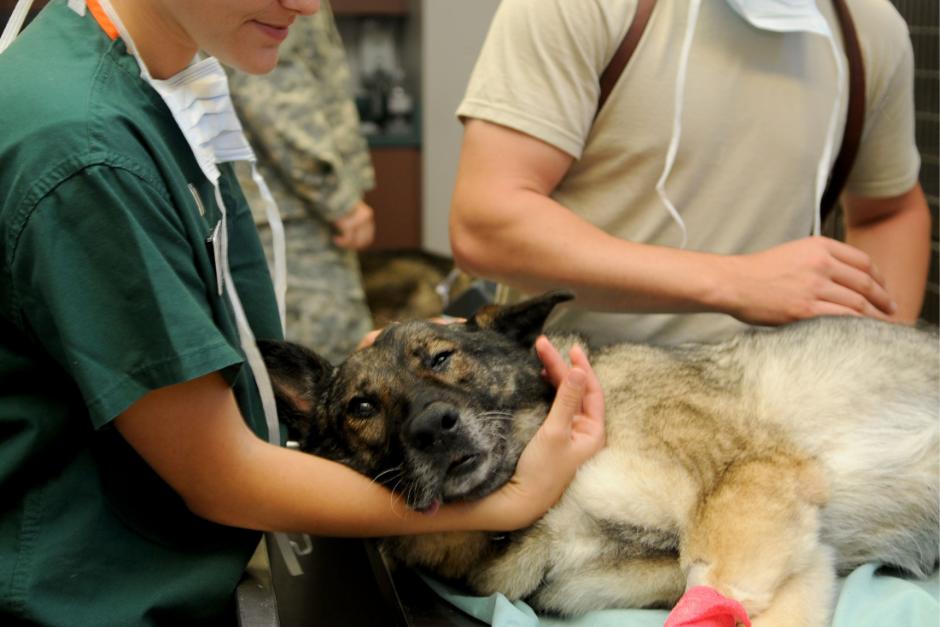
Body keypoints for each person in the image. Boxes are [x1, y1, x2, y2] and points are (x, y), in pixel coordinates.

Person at [0, 1, 605, 625]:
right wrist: (511, 500)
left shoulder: (161, 86)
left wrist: (392, 371)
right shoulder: (86, 149)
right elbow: (221, 474)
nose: (308, 4)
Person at [450, 0, 931, 348]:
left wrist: (876, 359)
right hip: (581, 397)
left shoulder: (869, 29)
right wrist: (735, 282)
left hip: (779, 403)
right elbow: (487, 223)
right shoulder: (583, 8)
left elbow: (889, 211)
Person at [228, 0, 376, 364]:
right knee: (326, 373)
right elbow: (272, 95)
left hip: (285, 207)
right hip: (290, 215)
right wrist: (339, 200)